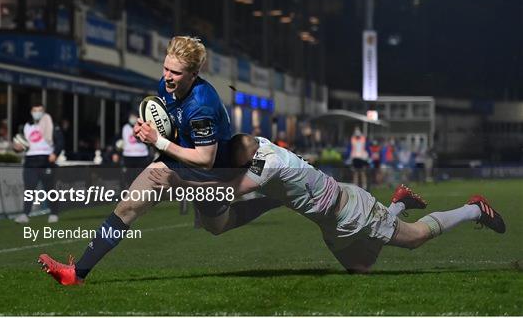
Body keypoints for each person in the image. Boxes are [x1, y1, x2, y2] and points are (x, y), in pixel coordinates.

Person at [37, 36, 278, 285]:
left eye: (176, 72)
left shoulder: (202, 104)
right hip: (177, 156)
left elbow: (205, 159)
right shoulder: (166, 86)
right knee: (128, 206)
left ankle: (271, 200)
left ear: (194, 74)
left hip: (211, 171)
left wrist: (158, 141)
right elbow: (170, 127)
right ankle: (76, 274)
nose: (168, 76)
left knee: (218, 225)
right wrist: (148, 132)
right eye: (165, 68)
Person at [150, 134, 506, 273]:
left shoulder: (266, 165)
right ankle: (396, 205)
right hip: (333, 222)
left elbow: (230, 191)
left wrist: (181, 182)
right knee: (360, 270)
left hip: (354, 211)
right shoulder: (260, 144)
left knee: (413, 239)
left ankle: (475, 207)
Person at [13, 103, 63, 223]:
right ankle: (25, 214)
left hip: (46, 159)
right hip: (30, 160)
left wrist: (55, 153)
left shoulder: (51, 125)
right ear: (31, 111)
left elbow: (60, 141)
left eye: (40, 110)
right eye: (35, 110)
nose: (37, 112)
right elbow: (19, 144)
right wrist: (17, 148)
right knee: (29, 189)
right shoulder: (26, 126)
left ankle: (54, 213)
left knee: (49, 189)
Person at [120, 112, 151, 186]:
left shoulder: (143, 126)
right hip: (128, 155)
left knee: (141, 176)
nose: (132, 118)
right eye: (131, 116)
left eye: (134, 116)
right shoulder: (125, 127)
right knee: (129, 176)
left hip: (142, 155)